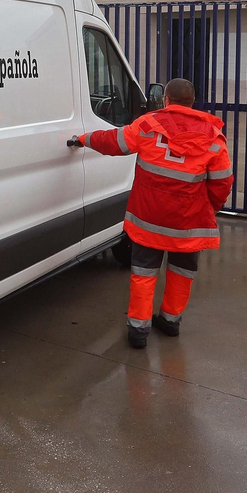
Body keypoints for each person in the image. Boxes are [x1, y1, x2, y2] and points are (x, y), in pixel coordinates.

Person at [68, 78, 233, 348]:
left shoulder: (148, 125)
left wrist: (84, 139)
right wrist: (209, 208)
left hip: (149, 220)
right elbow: (223, 181)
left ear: (166, 100)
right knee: (182, 271)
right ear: (192, 102)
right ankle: (170, 321)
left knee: (144, 272)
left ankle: (138, 331)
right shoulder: (213, 137)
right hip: (189, 221)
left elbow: (114, 142)